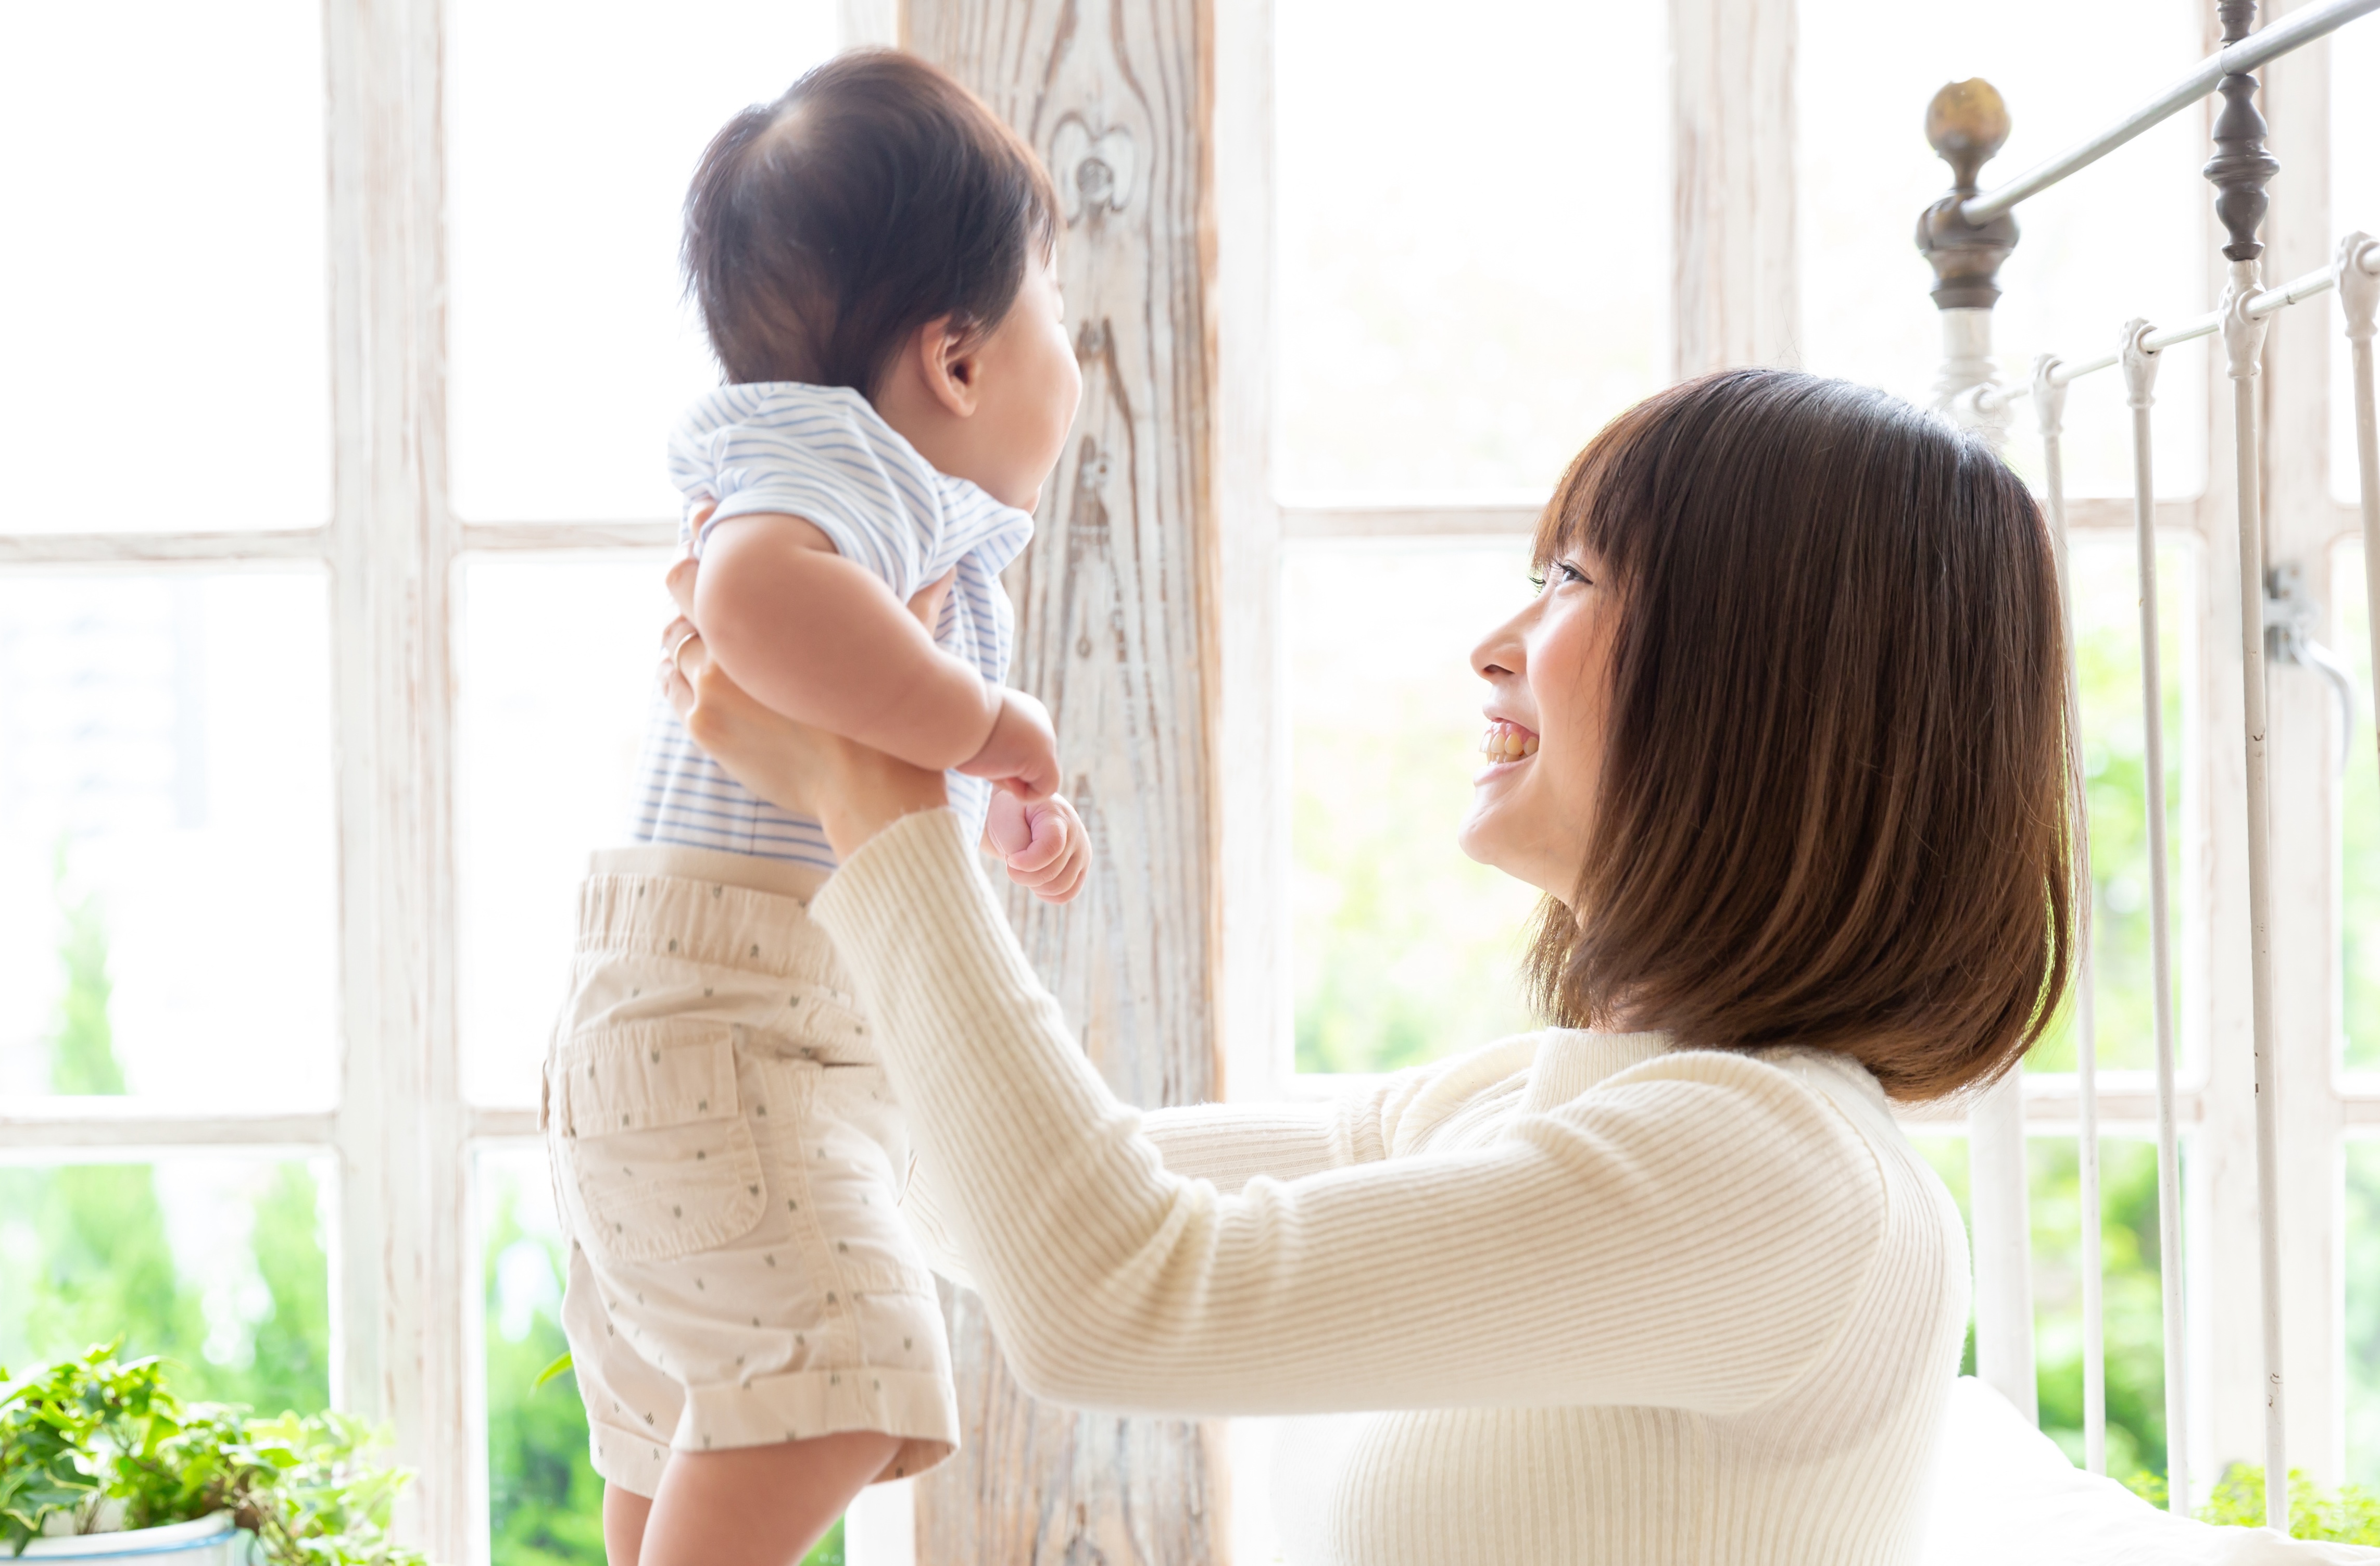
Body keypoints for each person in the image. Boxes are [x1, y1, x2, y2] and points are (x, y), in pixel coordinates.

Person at [659, 367, 2081, 1564]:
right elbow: (987, 1210)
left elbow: (1115, 1297)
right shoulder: (1531, 1102)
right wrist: (823, 811)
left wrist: (882, 801)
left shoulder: (1780, 1183)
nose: (1493, 646)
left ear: (1753, 684)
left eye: (1572, 580)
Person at [544, 50, 1088, 1566]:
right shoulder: (827, 458)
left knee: (709, 1423)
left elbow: (853, 736)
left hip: (722, 1035)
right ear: (957, 360)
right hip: (726, 1029)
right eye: (1059, 314)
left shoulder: (891, 498)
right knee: (833, 1387)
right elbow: (752, 595)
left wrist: (995, 800)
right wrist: (987, 724)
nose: (1075, 360)